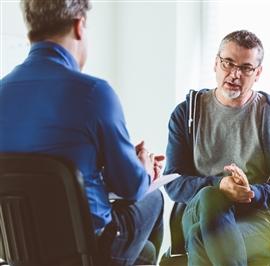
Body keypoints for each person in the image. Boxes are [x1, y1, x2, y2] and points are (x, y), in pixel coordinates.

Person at [0, 0, 164, 265]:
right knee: (152, 197)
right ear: (80, 26)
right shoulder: (94, 93)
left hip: (21, 251)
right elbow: (131, 187)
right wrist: (143, 166)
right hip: (86, 249)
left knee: (143, 252)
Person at [164, 30, 270, 265]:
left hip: (256, 219)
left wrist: (250, 192)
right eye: (228, 63)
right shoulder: (187, 114)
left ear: (258, 73)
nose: (234, 74)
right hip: (197, 211)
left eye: (245, 68)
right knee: (212, 197)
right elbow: (173, 181)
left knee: (202, 239)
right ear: (215, 63)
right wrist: (219, 185)